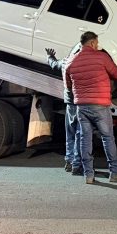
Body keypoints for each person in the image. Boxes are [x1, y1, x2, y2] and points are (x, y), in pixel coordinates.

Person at [64, 31, 117, 184]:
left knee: (85, 140)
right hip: (100, 106)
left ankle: (89, 175)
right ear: (92, 43)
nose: (98, 46)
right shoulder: (101, 57)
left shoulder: (72, 61)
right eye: (97, 43)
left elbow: (68, 86)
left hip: (82, 106)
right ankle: (115, 173)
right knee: (108, 138)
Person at [46, 43, 81, 173]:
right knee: (80, 133)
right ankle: (76, 162)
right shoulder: (84, 63)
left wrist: (50, 57)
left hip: (70, 103)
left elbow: (54, 65)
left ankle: (69, 160)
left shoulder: (66, 62)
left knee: (70, 133)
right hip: (82, 103)